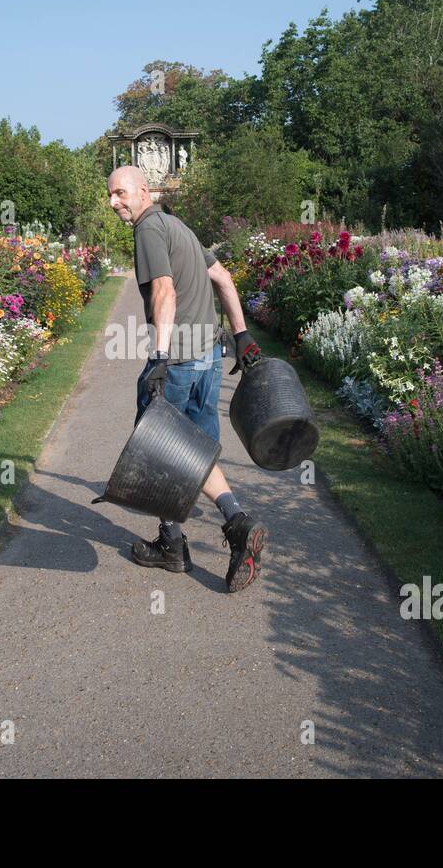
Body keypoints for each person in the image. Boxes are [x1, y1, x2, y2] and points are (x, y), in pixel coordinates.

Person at [106, 165, 268, 593]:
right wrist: (242, 336)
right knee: (193, 450)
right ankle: (235, 522)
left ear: (144, 191)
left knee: (160, 453)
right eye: (110, 195)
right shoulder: (180, 227)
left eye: (120, 193)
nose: (114, 203)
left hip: (177, 359)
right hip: (208, 356)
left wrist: (159, 357)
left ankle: (174, 546)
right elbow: (224, 278)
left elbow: (164, 290)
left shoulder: (148, 230)